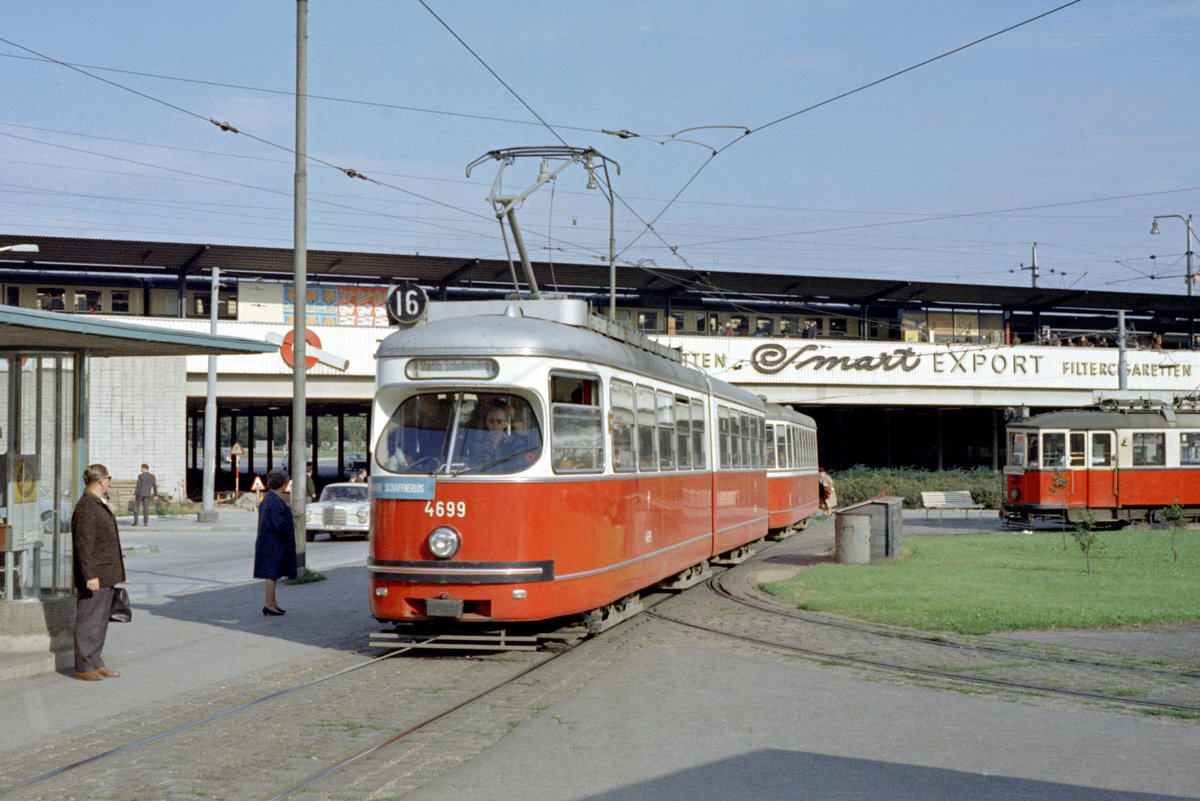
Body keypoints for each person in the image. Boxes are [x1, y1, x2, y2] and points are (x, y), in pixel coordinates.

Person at [71, 463, 126, 681]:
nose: (109, 483)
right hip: (95, 576)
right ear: (102, 480)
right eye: (108, 479)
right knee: (89, 619)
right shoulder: (87, 507)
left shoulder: (95, 503)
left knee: (101, 619)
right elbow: (84, 545)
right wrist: (90, 575)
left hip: (105, 573)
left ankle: (95, 662)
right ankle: (84, 666)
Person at [254, 471, 297, 616]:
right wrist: (289, 532)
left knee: (273, 574)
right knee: (271, 574)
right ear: (283, 485)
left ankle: (273, 603)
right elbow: (278, 524)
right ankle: (268, 604)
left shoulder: (269, 498)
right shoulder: (275, 501)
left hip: (268, 542)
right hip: (273, 543)